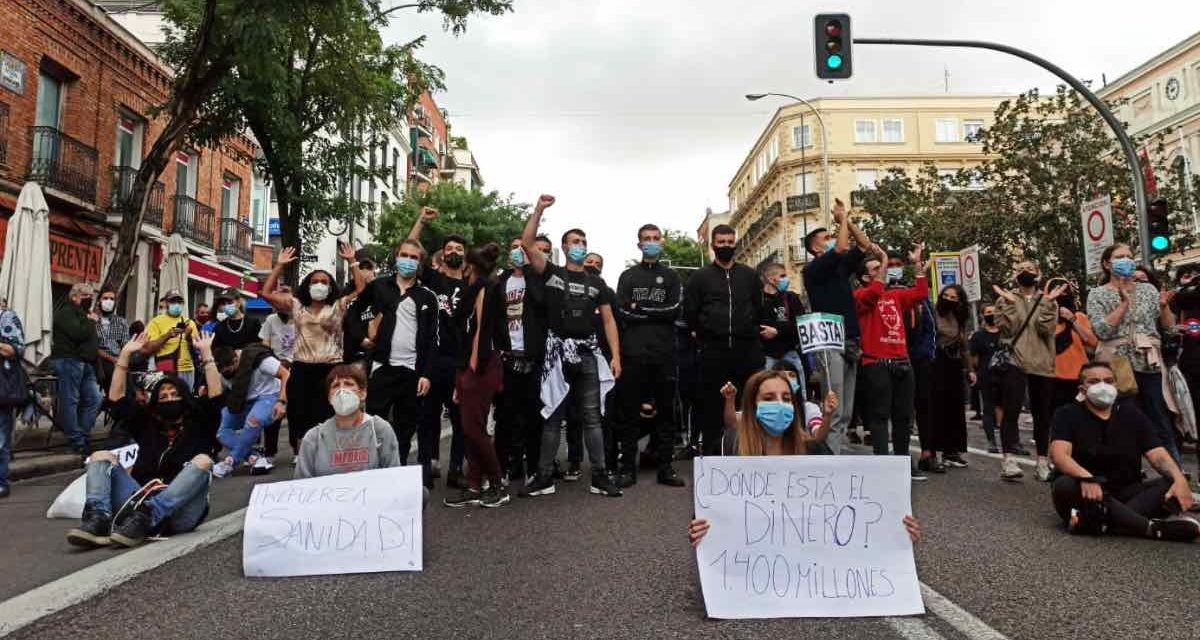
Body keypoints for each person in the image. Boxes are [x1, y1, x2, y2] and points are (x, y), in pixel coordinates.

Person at [688, 370, 921, 547]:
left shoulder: (814, 450)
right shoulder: (730, 445)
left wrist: (896, 529)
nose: (779, 404)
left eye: (786, 398)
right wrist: (699, 529)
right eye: (769, 398)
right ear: (752, 406)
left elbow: (852, 507)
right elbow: (711, 510)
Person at [66, 331, 222, 549]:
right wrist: (124, 357)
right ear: (155, 404)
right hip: (138, 506)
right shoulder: (146, 423)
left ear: (185, 399)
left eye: (175, 395)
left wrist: (206, 354)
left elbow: (216, 397)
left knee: (203, 461)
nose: (169, 399)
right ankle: (97, 517)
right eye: (163, 396)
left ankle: (151, 514)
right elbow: (116, 400)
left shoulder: (200, 422)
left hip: (181, 512)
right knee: (100, 455)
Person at [519, 194, 624, 498]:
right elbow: (527, 243)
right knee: (552, 416)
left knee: (592, 416)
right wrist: (538, 208)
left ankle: (600, 475)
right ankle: (543, 476)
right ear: (564, 248)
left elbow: (608, 321)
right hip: (557, 355)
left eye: (583, 240)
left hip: (588, 354)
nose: (580, 245)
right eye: (575, 241)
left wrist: (615, 356)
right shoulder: (551, 271)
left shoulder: (597, 283)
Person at [1049, 361, 1198, 541]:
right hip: (1085, 492)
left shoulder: (1133, 416)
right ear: (1082, 389)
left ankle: (1100, 522)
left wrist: (1180, 480)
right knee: (1064, 485)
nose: (1103, 386)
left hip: (1125, 492)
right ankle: (1151, 528)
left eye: (1108, 381)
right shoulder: (1066, 414)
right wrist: (1087, 478)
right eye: (1094, 382)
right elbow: (1059, 455)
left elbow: (1157, 454)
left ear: (1116, 386)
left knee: (1170, 481)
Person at [261, 242, 364, 456]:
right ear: (307, 285)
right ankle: (303, 457)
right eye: (315, 281)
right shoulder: (296, 306)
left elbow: (361, 289)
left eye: (324, 282)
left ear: (330, 286)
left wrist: (352, 261)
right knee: (300, 417)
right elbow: (266, 292)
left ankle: (330, 456)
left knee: (329, 414)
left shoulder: (338, 306)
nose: (319, 285)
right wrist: (279, 265)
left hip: (331, 370)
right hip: (302, 369)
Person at [1086, 244, 1181, 466]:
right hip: (1117, 365)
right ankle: (1128, 474)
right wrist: (1124, 304)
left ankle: (1175, 474)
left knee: (1159, 419)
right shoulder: (1097, 294)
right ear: (1107, 263)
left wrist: (1164, 306)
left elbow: (1169, 328)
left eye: (1129, 256)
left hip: (1149, 363)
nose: (1127, 260)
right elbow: (1100, 330)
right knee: (1122, 420)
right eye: (1120, 257)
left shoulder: (1148, 290)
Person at [355, 238, 439, 486]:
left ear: (420, 262)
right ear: (396, 257)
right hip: (382, 368)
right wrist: (362, 338)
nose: (409, 261)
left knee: (405, 428)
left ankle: (398, 474)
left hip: (412, 372)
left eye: (414, 257)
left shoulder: (427, 296)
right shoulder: (379, 287)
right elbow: (355, 311)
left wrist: (426, 374)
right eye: (405, 255)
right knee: (373, 424)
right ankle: (371, 476)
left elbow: (433, 339)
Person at [614, 224, 685, 488]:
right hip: (634, 354)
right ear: (639, 244)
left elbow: (675, 311)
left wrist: (642, 307)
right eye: (647, 239)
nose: (651, 242)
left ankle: (665, 468)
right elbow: (623, 312)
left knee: (666, 415)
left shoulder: (672, 277)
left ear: (662, 242)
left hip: (664, 354)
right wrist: (655, 311)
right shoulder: (627, 276)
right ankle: (626, 470)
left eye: (655, 238)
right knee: (629, 414)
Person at [685, 223, 764, 457]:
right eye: (721, 243)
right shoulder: (700, 278)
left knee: (749, 404)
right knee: (712, 407)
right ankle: (712, 459)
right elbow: (691, 313)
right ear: (713, 245)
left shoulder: (749, 275)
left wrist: (749, 331)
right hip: (713, 353)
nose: (726, 246)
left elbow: (758, 308)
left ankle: (752, 453)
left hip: (746, 352)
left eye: (730, 242)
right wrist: (706, 336)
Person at [802, 198, 873, 454]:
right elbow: (842, 248)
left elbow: (865, 245)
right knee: (834, 405)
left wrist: (848, 221)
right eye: (826, 237)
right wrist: (841, 220)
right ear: (814, 247)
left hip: (850, 339)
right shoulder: (814, 269)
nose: (832, 237)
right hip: (828, 341)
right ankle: (831, 461)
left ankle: (837, 454)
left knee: (846, 409)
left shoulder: (841, 268)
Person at [443, 243, 512, 508]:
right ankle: (473, 485)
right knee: (470, 428)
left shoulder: (486, 289)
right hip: (467, 366)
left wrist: (472, 368)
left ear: (471, 267)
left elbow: (483, 331)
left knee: (474, 428)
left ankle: (496, 484)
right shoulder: (473, 292)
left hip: (482, 365)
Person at [853, 243, 929, 481]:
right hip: (876, 362)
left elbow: (920, 294)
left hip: (902, 361)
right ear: (866, 277)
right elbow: (874, 293)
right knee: (879, 415)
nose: (886, 270)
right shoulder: (860, 296)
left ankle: (903, 461)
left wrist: (917, 265)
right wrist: (884, 259)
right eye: (877, 268)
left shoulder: (895, 295)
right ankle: (883, 463)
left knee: (904, 416)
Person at [408, 208, 469, 489]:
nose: (453, 251)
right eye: (449, 248)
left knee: (460, 420)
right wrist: (421, 222)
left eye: (459, 248)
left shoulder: (472, 286)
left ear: (465, 255)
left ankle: (456, 467)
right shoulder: (432, 279)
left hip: (459, 362)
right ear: (442, 254)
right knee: (426, 418)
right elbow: (410, 250)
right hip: (431, 360)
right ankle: (425, 468)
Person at [993, 260, 1065, 482]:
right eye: (1021, 269)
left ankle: (1043, 461)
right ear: (1014, 275)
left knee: (1042, 414)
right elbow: (1007, 328)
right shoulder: (1004, 299)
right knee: (1011, 409)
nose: (1026, 272)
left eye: (1030, 269)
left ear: (1039, 274)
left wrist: (1047, 304)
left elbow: (1047, 329)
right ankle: (1008, 459)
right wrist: (1011, 304)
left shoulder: (1048, 301)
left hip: (1042, 363)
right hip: (1015, 360)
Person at [294, 364, 408, 484]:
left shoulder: (380, 430)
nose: (342, 390)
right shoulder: (314, 438)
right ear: (329, 398)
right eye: (336, 386)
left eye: (349, 384)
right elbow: (300, 486)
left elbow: (394, 479)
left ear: (363, 393)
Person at [211, 344, 289, 477]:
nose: (226, 373)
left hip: (269, 396)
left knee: (253, 420)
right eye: (222, 371)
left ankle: (230, 462)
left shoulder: (260, 361)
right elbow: (218, 394)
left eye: (229, 369)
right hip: (244, 400)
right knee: (221, 431)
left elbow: (286, 374)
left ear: (236, 360)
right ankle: (255, 457)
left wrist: (281, 402)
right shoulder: (223, 373)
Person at [50, 283, 103, 456]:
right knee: (70, 400)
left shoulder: (83, 313)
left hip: (85, 362)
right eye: (85, 295)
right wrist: (90, 321)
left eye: (91, 295)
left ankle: (82, 434)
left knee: (95, 398)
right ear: (74, 296)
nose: (89, 299)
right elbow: (78, 333)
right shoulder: (65, 312)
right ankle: (76, 439)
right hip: (69, 360)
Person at [930, 284, 971, 469]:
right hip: (936, 363)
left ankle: (952, 451)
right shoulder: (933, 313)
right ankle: (932, 451)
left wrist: (970, 369)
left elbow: (964, 347)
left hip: (954, 365)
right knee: (937, 407)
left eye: (953, 297)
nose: (948, 299)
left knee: (955, 408)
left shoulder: (960, 318)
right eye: (946, 295)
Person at [1047, 278, 1097, 410]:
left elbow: (1092, 342)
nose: (1062, 295)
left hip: (1079, 377)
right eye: (1058, 291)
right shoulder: (1044, 319)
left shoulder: (1079, 317)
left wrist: (1072, 319)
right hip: (1052, 376)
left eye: (1065, 291)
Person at [143, 289, 200, 388]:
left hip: (187, 369)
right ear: (166, 303)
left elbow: (197, 350)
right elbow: (148, 348)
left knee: (186, 400)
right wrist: (168, 335)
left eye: (179, 302)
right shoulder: (156, 322)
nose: (176, 304)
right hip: (166, 367)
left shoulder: (190, 323)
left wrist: (188, 337)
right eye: (173, 301)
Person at [760, 263, 807, 379]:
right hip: (767, 356)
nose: (786, 279)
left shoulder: (790, 298)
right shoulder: (757, 300)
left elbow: (800, 324)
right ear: (771, 279)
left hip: (790, 353)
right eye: (782, 276)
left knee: (797, 391)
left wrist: (777, 331)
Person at [968, 302, 1003, 453]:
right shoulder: (978, 336)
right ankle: (992, 442)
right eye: (988, 312)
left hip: (1005, 375)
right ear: (983, 315)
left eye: (994, 311)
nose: (992, 314)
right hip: (986, 376)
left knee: (1005, 408)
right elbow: (973, 357)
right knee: (988, 409)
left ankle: (1009, 441)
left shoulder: (1005, 333)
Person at [0, 302, 25, 498]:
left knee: (0, 439)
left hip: (2, 388)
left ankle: (1, 482)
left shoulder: (7, 317)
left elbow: (15, 349)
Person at [94, 288, 130, 406]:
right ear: (99, 301)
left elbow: (126, 344)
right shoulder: (93, 321)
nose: (109, 301)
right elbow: (94, 347)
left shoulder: (121, 322)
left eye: (112, 299)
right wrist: (114, 360)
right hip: (99, 361)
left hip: (119, 360)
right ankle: (112, 401)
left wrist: (122, 358)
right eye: (105, 298)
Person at [343, 260, 378, 368]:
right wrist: (361, 338)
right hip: (351, 341)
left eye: (369, 272)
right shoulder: (348, 290)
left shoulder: (378, 290)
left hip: (373, 341)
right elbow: (346, 317)